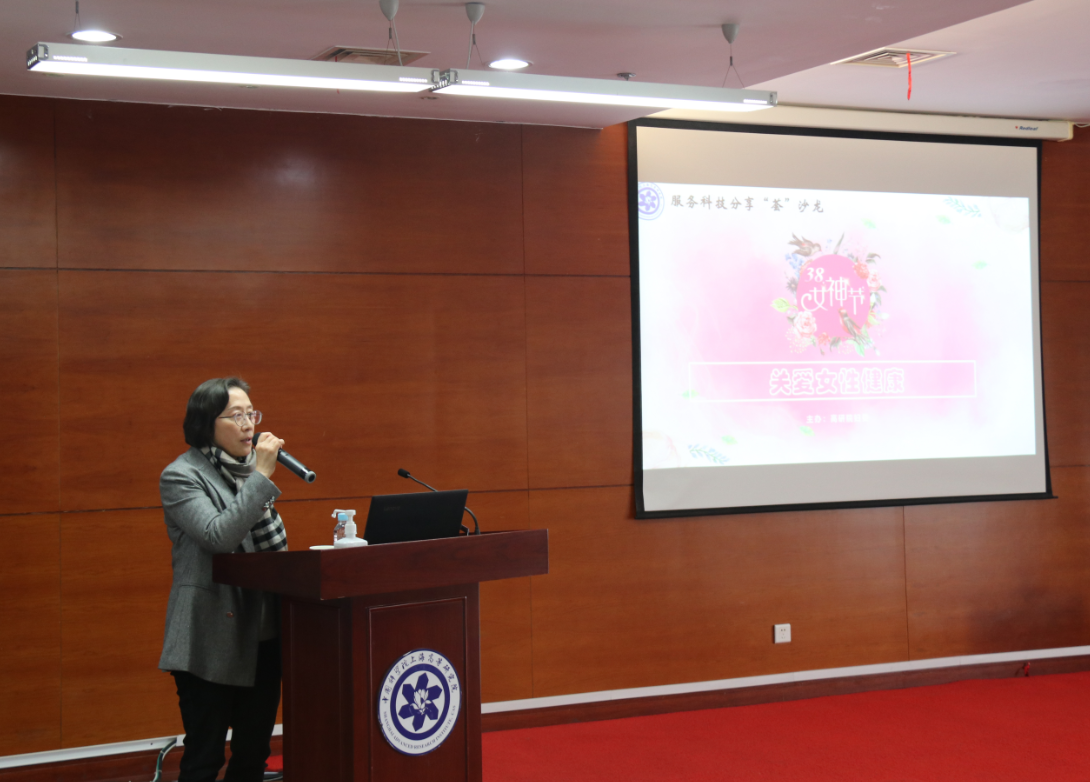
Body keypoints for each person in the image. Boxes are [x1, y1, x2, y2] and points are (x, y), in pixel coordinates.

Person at [158, 377, 288, 782]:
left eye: (251, 413)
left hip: (261, 635)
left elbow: (274, 550)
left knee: (253, 757)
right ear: (206, 423)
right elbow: (218, 537)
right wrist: (260, 477)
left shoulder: (248, 474)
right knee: (205, 759)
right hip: (207, 637)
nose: (249, 424)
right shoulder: (181, 476)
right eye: (236, 416)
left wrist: (255, 478)